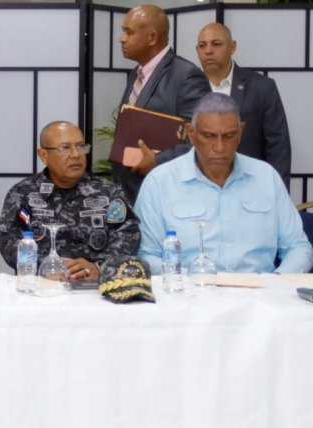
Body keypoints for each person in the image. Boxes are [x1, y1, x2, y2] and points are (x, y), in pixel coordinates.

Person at [135, 93, 313, 274]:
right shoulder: (159, 183)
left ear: (240, 132)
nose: (219, 147)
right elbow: (146, 255)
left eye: (228, 136)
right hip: (189, 288)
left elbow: (298, 247)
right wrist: (191, 280)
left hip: (261, 288)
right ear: (191, 133)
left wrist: (276, 282)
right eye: (208, 136)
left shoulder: (266, 177)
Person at [0, 121, 141, 280]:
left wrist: (99, 266)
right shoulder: (23, 193)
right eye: (65, 148)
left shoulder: (109, 192)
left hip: (95, 285)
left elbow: (128, 234)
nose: (76, 154)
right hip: (41, 284)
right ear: (44, 155)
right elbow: (8, 240)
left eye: (80, 146)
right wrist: (44, 266)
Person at [113, 4, 211, 202]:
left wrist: (157, 160)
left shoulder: (186, 76)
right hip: (129, 192)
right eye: (123, 31)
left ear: (152, 37)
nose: (122, 39)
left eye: (129, 32)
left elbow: (203, 138)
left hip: (166, 194)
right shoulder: (136, 74)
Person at [196, 23, 292, 190]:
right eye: (202, 46)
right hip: (196, 187)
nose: (208, 51)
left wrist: (277, 194)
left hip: (250, 186)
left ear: (232, 47)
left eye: (216, 44)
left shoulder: (262, 87)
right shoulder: (186, 87)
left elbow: (278, 147)